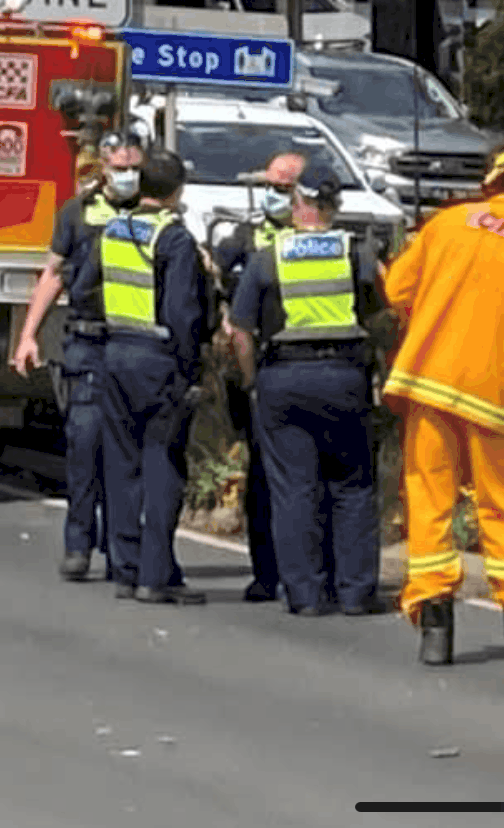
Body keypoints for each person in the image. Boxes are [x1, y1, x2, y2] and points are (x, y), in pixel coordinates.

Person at [381, 143, 504, 668]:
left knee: (430, 500)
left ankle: (435, 626)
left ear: (495, 181)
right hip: (499, 395)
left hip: (431, 380)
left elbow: (397, 289)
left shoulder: (448, 224)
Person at [227, 181, 385, 617]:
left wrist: (252, 381)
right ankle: (355, 592)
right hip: (345, 377)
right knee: (353, 486)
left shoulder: (268, 257)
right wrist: (382, 373)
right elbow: (382, 320)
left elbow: (241, 331)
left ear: (297, 207)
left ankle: (305, 594)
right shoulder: (356, 255)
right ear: (334, 209)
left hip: (285, 377)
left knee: (294, 490)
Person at [11, 132, 146, 585]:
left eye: (134, 167)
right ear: (103, 167)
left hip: (138, 344)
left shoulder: (154, 214)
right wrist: (28, 335)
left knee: (128, 452)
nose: (127, 175)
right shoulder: (78, 213)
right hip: (89, 342)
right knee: (84, 444)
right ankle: (79, 544)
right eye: (120, 167)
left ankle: (122, 546)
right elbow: (53, 274)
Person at [89, 149, 213, 605]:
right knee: (163, 467)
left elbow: (87, 286)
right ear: (178, 191)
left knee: (122, 465)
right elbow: (183, 312)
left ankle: (124, 569)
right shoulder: (174, 239)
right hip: (159, 358)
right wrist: (189, 370)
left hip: (117, 350)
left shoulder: (115, 229)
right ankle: (155, 576)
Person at [209, 151, 310, 603]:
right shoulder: (245, 237)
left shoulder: (317, 239)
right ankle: (266, 572)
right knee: (264, 475)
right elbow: (213, 273)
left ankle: (305, 571)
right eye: (271, 185)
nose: (275, 195)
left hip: (304, 364)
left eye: (285, 189)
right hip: (259, 367)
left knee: (306, 476)